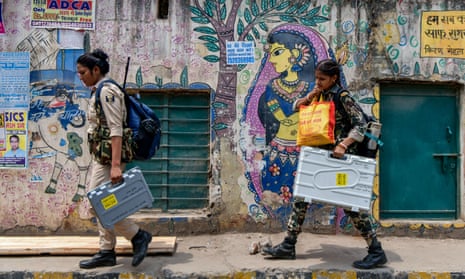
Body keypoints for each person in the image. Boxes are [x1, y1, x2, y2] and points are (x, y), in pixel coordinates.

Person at [261, 59, 388, 269]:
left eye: (322, 79)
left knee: (351, 205)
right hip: (321, 158)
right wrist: (309, 95)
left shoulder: (342, 96)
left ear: (334, 78)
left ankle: (376, 251)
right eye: (316, 78)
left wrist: (344, 145)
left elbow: (361, 125)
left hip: (341, 159)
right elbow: (296, 108)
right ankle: (288, 245)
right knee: (301, 198)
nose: (318, 82)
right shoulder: (319, 94)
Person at [76, 49, 152, 269]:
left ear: (96, 70)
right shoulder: (99, 90)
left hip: (110, 160)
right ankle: (107, 250)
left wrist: (116, 166)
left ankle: (137, 235)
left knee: (97, 203)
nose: (80, 76)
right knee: (104, 202)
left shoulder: (106, 91)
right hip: (103, 157)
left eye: (83, 72)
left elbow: (116, 129)